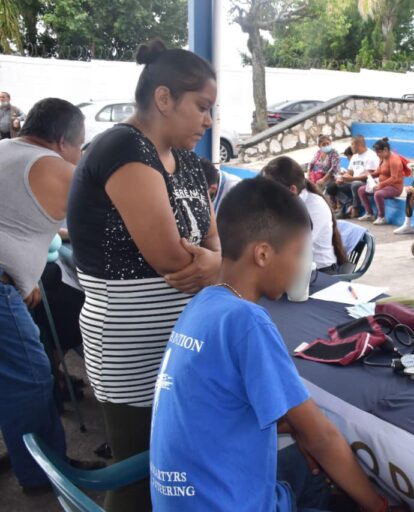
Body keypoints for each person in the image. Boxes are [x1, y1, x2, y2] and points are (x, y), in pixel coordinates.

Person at [150, 177, 403, 512]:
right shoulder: (248, 322)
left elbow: (224, 409)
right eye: (299, 253)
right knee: (341, 477)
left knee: (305, 462)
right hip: (230, 503)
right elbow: (322, 438)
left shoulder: (202, 303)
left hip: (187, 500)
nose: (302, 266)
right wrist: (380, 507)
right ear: (264, 254)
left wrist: (295, 428)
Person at [67, 39, 221, 512]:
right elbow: (172, 260)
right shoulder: (123, 148)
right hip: (130, 346)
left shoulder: (191, 163)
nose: (208, 121)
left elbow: (213, 247)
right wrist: (211, 263)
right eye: (202, 107)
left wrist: (214, 263)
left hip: (182, 338)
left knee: (177, 464)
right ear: (163, 98)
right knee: (140, 473)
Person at [0, 98, 95, 494]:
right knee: (33, 379)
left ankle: (25, 449)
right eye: (80, 146)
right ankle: (44, 473)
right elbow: (105, 227)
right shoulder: (53, 168)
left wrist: (27, 276)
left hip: (9, 279)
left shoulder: (6, 150)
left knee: (14, 378)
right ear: (62, 142)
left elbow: (19, 219)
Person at [262, 156, 348, 273]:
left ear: (292, 189)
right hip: (298, 268)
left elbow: (294, 248)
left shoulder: (314, 207)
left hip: (320, 271)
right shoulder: (287, 202)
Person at [325, 136, 379, 218]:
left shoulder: (371, 156)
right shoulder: (354, 156)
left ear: (360, 145)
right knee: (331, 187)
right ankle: (348, 204)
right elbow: (350, 172)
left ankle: (355, 209)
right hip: (354, 180)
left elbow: (369, 176)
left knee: (355, 184)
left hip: (367, 182)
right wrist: (342, 178)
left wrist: (352, 178)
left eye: (352, 144)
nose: (351, 146)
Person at [358, 137, 404, 225]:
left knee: (378, 194)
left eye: (378, 152)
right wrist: (368, 175)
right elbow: (378, 172)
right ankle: (369, 213)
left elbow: (394, 178)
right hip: (383, 186)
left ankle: (381, 217)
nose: (377, 155)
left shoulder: (394, 160)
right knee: (361, 190)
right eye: (376, 152)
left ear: (385, 150)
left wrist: (381, 184)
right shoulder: (382, 158)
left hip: (394, 187)